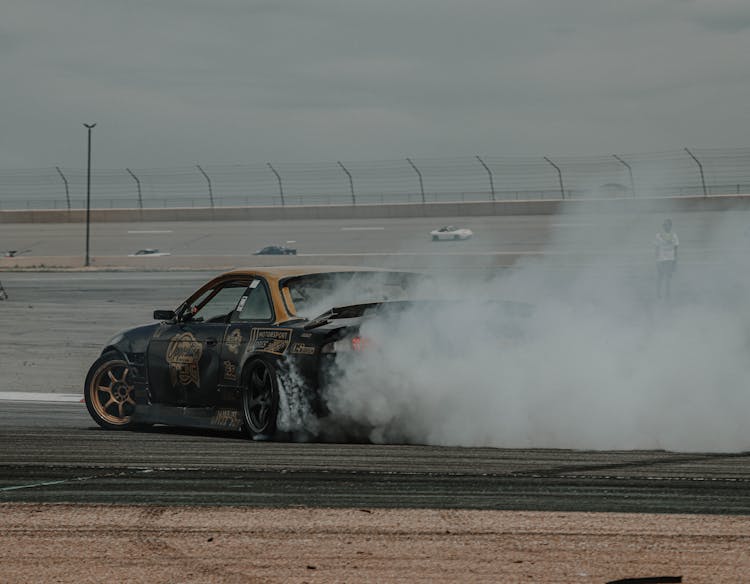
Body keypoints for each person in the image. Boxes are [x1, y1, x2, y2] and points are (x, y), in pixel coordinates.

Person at [655, 218, 679, 299]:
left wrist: (675, 260)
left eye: (668, 225)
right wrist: (656, 260)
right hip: (661, 259)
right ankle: (658, 293)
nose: (666, 227)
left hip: (670, 259)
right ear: (663, 226)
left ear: (670, 226)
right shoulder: (658, 235)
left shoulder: (674, 235)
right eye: (665, 225)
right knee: (660, 277)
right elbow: (656, 248)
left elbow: (676, 249)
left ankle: (667, 294)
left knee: (668, 277)